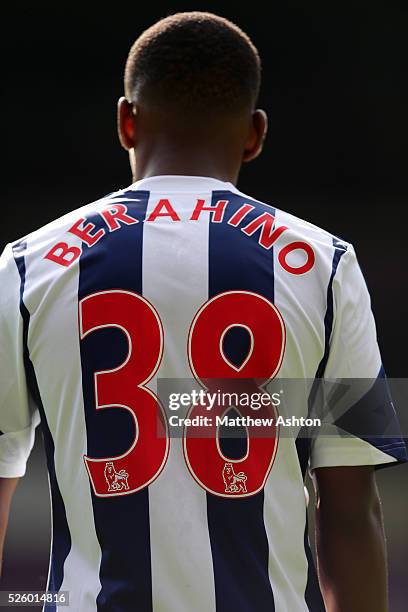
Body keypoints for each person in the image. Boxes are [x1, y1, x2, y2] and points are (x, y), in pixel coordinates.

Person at [0, 11, 406, 612]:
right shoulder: (325, 266)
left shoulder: (30, 265)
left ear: (125, 121)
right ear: (255, 133)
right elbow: (350, 510)